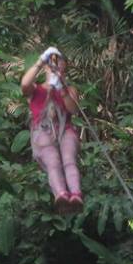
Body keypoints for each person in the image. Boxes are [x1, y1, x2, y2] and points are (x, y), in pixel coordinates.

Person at [21, 46, 83, 213]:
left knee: (69, 159)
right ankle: (61, 194)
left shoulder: (70, 90)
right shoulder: (37, 90)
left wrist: (61, 87)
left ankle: (76, 194)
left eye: (59, 62)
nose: (55, 66)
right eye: (52, 63)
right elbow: (25, 84)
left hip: (65, 129)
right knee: (52, 160)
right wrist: (41, 61)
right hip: (43, 130)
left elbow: (73, 109)